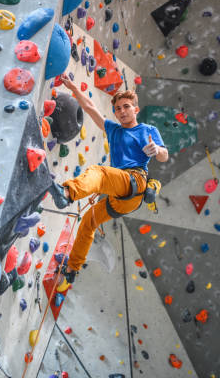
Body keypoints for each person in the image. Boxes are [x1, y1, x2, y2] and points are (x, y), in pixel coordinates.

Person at [48, 74, 169, 285]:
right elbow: (90, 107)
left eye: (126, 106)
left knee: (100, 173)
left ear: (136, 110)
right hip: (122, 199)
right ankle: (71, 270)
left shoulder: (148, 131)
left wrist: (156, 149)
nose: (122, 111)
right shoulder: (113, 129)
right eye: (118, 108)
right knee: (88, 222)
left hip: (135, 181)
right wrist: (72, 87)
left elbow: (164, 156)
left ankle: (67, 194)